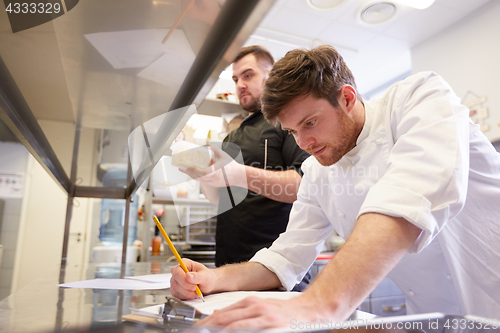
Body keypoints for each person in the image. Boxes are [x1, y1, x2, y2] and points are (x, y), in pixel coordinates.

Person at [171, 45, 500, 329]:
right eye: (293, 131)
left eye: (309, 123)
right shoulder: (317, 171)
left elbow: (408, 201)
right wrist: (215, 280)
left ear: (346, 97)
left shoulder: (420, 98)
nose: (304, 142)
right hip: (435, 321)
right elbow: (285, 257)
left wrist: (320, 304)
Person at [180, 46, 310, 290]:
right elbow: (218, 198)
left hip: (275, 275)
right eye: (236, 79)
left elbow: (303, 185)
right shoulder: (233, 137)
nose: (240, 84)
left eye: (248, 75)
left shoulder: (286, 121)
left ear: (270, 75)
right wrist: (202, 173)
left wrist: (238, 173)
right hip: (228, 273)